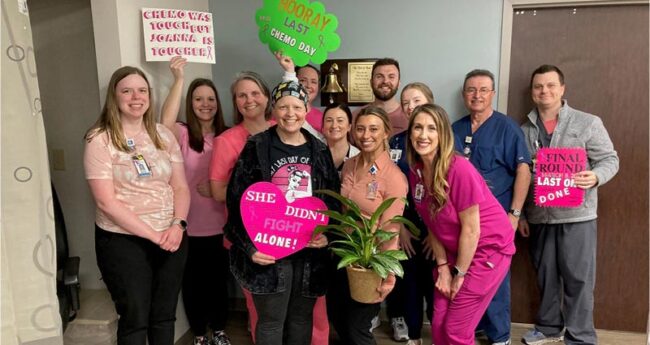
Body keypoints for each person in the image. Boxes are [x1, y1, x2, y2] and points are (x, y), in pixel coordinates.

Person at [224, 80, 340, 345]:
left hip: (309, 252)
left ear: (306, 109)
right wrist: (251, 247)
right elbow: (237, 202)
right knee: (270, 321)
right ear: (273, 110)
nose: (290, 113)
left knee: (301, 320)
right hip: (269, 251)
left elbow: (333, 201)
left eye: (296, 107)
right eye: (283, 106)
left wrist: (326, 235)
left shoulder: (320, 150)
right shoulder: (257, 147)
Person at [84, 66, 190, 345]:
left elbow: (180, 187)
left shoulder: (163, 135)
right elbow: (105, 201)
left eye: (142, 90)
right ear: (114, 96)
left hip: (172, 236)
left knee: (164, 316)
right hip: (123, 241)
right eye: (127, 90)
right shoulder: (100, 139)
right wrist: (155, 236)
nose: (136, 97)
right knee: (134, 318)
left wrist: (178, 225)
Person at [519, 65, 619, 345]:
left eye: (551, 85)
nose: (544, 91)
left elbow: (611, 159)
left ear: (562, 89)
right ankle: (549, 328)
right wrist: (524, 215)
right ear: (532, 92)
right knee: (546, 277)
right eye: (538, 86)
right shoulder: (524, 129)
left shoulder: (588, 122)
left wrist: (596, 176)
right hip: (540, 216)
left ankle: (581, 337)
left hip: (578, 216)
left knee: (579, 280)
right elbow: (521, 175)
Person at [406, 104, 515, 345]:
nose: (423, 135)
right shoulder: (416, 171)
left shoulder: (459, 169)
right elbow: (432, 222)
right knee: (439, 325)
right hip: (455, 251)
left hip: (487, 250)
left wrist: (460, 274)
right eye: (418, 127)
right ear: (410, 132)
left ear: (442, 134)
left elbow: (472, 229)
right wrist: (444, 268)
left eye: (431, 128)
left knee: (456, 330)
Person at [451, 69, 532, 345]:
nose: (477, 95)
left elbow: (524, 169)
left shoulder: (507, 127)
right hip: (462, 222)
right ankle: (475, 327)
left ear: (493, 94)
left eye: (483, 89)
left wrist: (515, 214)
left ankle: (500, 336)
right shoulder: (455, 129)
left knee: (494, 279)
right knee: (466, 276)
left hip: (496, 221)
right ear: (464, 95)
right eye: (471, 90)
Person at [160, 56, 230, 345]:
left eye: (210, 99)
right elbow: (163, 123)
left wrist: (217, 187)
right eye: (198, 99)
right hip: (188, 225)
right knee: (193, 285)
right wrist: (178, 80)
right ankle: (200, 334)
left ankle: (220, 331)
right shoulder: (183, 134)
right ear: (191, 103)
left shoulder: (227, 136)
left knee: (219, 284)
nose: (205, 104)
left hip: (222, 224)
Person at [328, 106, 407, 345]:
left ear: (386, 132)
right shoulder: (350, 164)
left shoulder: (394, 177)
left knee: (358, 327)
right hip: (343, 254)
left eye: (374, 129)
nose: (366, 135)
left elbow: (391, 228)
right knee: (337, 315)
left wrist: (389, 273)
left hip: (369, 262)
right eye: (361, 129)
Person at [208, 70, 274, 344]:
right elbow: (217, 191)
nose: (249, 100)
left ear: (267, 97)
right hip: (249, 237)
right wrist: (258, 196)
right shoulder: (227, 141)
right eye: (241, 95)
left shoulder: (283, 130)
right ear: (235, 102)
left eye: (255, 93)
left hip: (286, 231)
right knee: (261, 308)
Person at [388, 82, 436, 344]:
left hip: (436, 229)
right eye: (405, 102)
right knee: (409, 286)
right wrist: (401, 227)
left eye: (416, 101)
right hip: (405, 225)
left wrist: (436, 235)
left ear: (430, 101)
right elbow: (393, 189)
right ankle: (414, 334)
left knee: (435, 286)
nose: (409, 107)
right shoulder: (395, 142)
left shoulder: (440, 140)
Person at [354, 58, 408, 135]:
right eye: (379, 76)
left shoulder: (409, 116)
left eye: (391, 77)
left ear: (399, 83)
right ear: (371, 82)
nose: (385, 81)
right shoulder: (356, 116)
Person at [321, 102, 360, 172]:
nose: (334, 125)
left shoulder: (357, 156)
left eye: (340, 120)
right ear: (323, 126)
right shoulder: (314, 152)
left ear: (349, 126)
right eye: (329, 120)